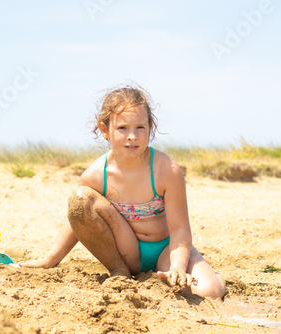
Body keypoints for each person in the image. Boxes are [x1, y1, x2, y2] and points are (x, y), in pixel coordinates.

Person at [20, 84, 226, 299]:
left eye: (140, 127)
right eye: (122, 128)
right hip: (127, 252)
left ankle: (215, 278)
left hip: (166, 249)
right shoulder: (96, 175)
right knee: (81, 197)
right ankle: (120, 272)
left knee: (210, 292)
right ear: (104, 130)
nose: (132, 136)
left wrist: (177, 267)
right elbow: (78, 216)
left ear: (150, 127)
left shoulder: (166, 170)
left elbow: (180, 229)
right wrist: (51, 259)